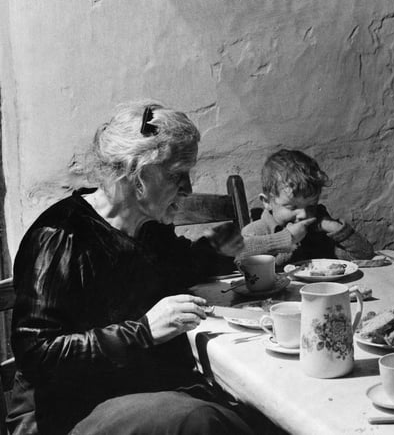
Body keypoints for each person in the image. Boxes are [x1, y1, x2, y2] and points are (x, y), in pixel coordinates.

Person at [7, 101, 255, 434]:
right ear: (136, 173)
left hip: (142, 389)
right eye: (177, 174)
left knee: (256, 414)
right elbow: (37, 356)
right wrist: (141, 332)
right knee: (200, 422)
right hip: (71, 411)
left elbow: (173, 270)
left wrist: (215, 249)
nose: (188, 188)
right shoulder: (61, 235)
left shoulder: (147, 227)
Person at [238, 149, 374, 265]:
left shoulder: (319, 231)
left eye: (311, 206)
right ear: (267, 202)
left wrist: (335, 228)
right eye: (292, 207)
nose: (303, 214)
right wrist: (287, 238)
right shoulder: (256, 231)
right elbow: (240, 258)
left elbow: (364, 255)